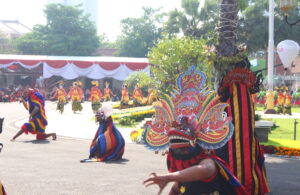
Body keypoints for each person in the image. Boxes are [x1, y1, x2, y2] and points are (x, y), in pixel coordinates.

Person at [143, 66, 245, 195]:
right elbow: (177, 187)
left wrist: (168, 177)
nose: (179, 151)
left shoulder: (208, 161)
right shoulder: (181, 171)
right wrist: (173, 183)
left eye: (182, 148)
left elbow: (204, 170)